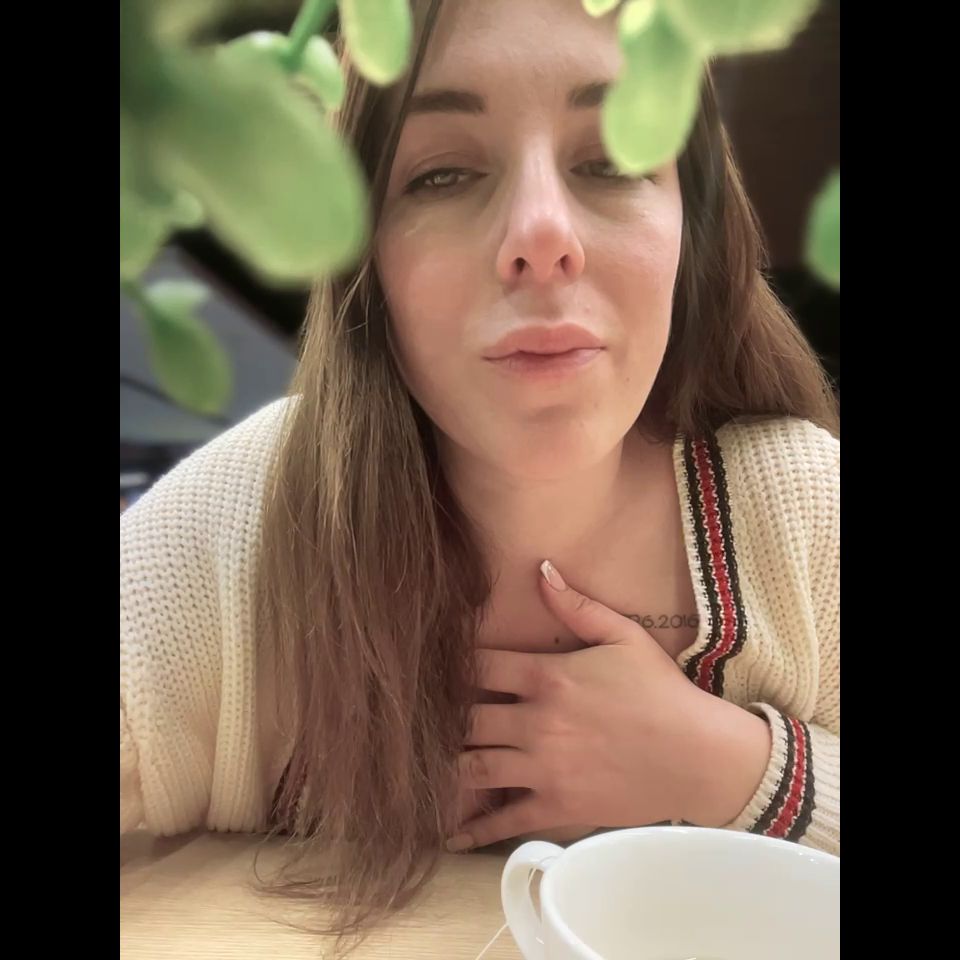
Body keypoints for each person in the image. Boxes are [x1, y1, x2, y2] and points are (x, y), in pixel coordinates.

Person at [120, 0, 839, 938]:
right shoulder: (235, 524)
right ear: (365, 260)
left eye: (611, 160)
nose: (540, 234)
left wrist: (734, 766)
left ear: (690, 229)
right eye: (444, 174)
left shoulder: (800, 509)